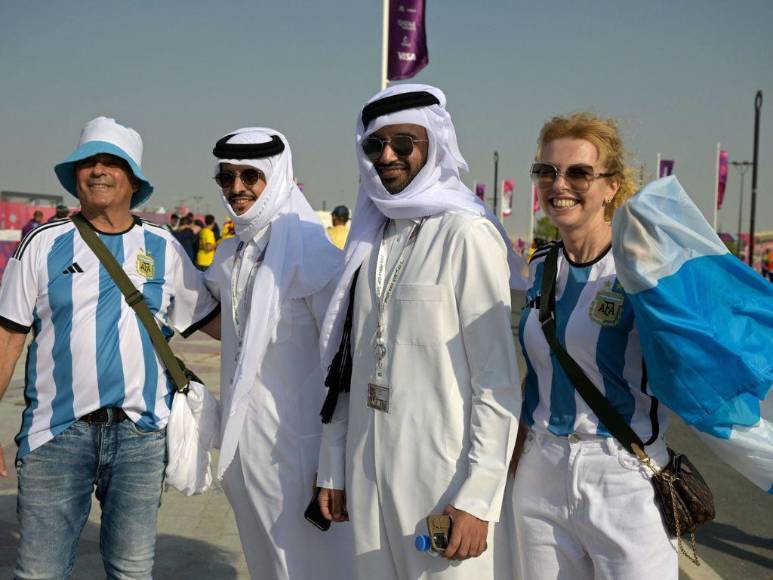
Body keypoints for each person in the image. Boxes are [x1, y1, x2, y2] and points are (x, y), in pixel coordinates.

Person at [0, 116, 221, 579]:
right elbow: (8, 335)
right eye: (88, 162)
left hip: (140, 436)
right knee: (39, 572)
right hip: (55, 435)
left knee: (132, 571)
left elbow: (212, 322)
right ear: (75, 176)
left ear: (133, 180)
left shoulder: (162, 246)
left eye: (111, 162)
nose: (98, 170)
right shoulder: (42, 244)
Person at [316, 84, 521, 579]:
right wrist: (333, 466)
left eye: (403, 142)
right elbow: (346, 368)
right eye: (374, 145)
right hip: (369, 476)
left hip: (443, 480)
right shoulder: (369, 240)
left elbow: (497, 382)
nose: (387, 156)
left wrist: (476, 499)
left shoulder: (465, 235)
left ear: (433, 146)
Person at [510, 112, 678, 579]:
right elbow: (534, 376)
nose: (559, 183)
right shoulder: (541, 265)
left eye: (579, 172)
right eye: (547, 171)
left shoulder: (642, 269)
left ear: (611, 186)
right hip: (541, 469)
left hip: (622, 474)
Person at [204, 127, 352, 579]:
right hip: (244, 450)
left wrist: (333, 463)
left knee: (313, 568)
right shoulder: (230, 255)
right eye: (227, 177)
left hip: (301, 452)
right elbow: (233, 330)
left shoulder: (315, 255)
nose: (237, 188)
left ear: (278, 175)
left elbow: (340, 365)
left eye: (251, 176)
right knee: (265, 564)